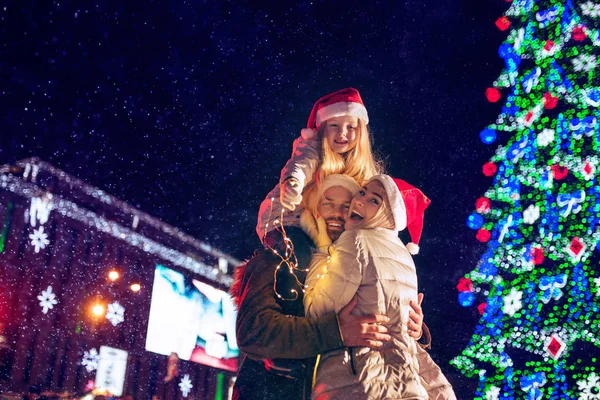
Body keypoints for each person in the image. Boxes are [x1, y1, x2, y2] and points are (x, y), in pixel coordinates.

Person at [232, 175, 427, 400]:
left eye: (346, 206)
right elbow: (254, 332)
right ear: (312, 208)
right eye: (328, 203)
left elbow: (378, 321)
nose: (338, 213)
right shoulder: (277, 257)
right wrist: (337, 332)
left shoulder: (358, 262)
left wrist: (412, 326)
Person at [304, 175, 455, 399]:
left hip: (357, 382)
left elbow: (317, 310)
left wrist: (322, 250)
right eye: (362, 192)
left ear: (389, 214)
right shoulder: (403, 255)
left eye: (374, 200)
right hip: (404, 383)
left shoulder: (355, 239)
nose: (359, 201)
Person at [255, 88, 382, 251]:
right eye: (334, 125)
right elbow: (302, 164)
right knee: (299, 255)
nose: (342, 133)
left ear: (360, 132)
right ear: (322, 129)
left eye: (350, 127)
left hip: (321, 229)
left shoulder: (360, 167)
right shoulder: (313, 148)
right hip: (286, 221)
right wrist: (292, 181)